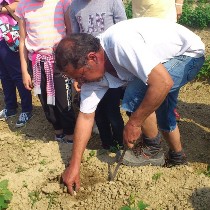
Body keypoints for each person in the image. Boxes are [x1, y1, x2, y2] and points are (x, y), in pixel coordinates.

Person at [55, 17, 205, 194]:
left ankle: (152, 149)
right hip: (165, 62)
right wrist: (74, 166)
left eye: (80, 75)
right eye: (75, 78)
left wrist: (134, 123)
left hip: (188, 55)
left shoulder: (120, 44)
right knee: (163, 110)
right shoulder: (92, 73)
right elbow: (86, 117)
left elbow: (163, 82)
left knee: (136, 95)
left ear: (92, 57)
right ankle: (178, 157)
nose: (79, 82)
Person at [68, 0, 127, 149]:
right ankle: (106, 143)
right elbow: (75, 41)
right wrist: (78, 77)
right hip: (88, 70)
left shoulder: (113, 2)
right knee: (98, 112)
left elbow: (124, 31)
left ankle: (120, 143)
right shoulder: (74, 6)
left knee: (112, 110)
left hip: (110, 67)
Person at [16, 0, 76, 142]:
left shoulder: (61, 2)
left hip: (59, 61)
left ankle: (70, 134)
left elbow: (70, 32)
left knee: (64, 101)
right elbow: (23, 41)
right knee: (45, 100)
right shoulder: (23, 6)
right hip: (37, 63)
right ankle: (58, 130)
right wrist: (25, 71)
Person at [132, 0, 185, 121]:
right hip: (141, 20)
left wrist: (179, 4)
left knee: (169, 66)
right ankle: (149, 108)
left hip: (165, 18)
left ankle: (169, 107)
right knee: (145, 64)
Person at [0, 0, 33, 127]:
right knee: (4, 76)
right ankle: (11, 107)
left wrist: (2, 9)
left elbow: (19, 4)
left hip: (8, 37)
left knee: (17, 75)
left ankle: (26, 109)